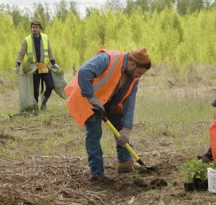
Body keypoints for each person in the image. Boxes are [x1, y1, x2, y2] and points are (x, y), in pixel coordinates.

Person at [64, 47, 151, 181]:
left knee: (120, 126)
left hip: (110, 101)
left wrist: (126, 128)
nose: (138, 76)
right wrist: (91, 97)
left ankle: (125, 162)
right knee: (95, 133)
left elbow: (129, 102)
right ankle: (97, 173)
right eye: (139, 72)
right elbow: (84, 71)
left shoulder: (133, 77)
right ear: (132, 64)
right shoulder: (107, 59)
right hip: (87, 99)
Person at [16, 20, 60, 110]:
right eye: (33, 27)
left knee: (50, 85)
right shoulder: (27, 40)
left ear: (39, 28)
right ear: (31, 28)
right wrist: (18, 63)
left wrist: (54, 63)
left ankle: (44, 104)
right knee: (35, 89)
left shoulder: (45, 38)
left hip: (44, 66)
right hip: (33, 68)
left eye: (36, 27)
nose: (34, 29)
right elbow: (21, 52)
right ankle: (35, 107)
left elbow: (50, 51)